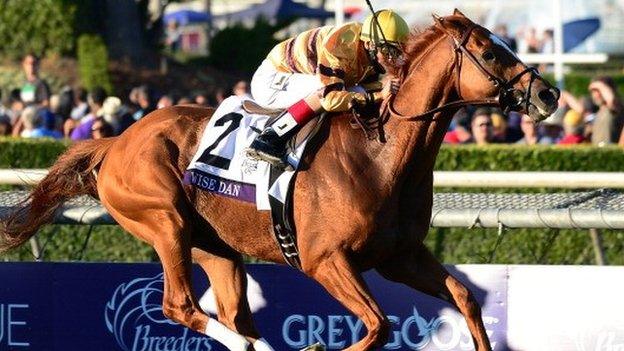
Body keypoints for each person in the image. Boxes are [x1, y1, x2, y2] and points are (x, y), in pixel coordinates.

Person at [246, 9, 409, 165]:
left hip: (298, 77)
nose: (392, 58)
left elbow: (369, 90)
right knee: (323, 89)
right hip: (272, 81)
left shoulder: (370, 53)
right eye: (388, 50)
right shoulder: (340, 46)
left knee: (359, 91)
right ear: (369, 44)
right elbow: (330, 99)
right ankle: (269, 138)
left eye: (397, 51)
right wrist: (378, 95)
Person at [586, 77, 624, 146]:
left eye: (599, 91)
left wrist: (598, 84)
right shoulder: (599, 111)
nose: (596, 95)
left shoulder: (616, 108)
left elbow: (611, 100)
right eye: (593, 92)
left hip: (612, 153)